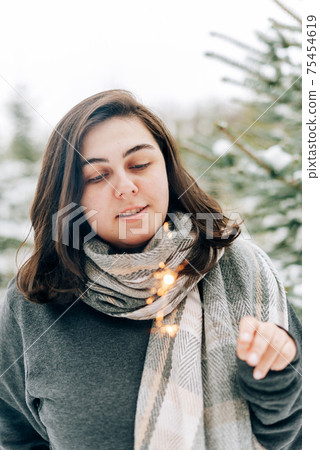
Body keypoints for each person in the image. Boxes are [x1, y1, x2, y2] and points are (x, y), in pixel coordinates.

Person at [0, 90, 301, 450]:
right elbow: (16, 437)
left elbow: (293, 436)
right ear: (69, 196)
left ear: (167, 170)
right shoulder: (33, 303)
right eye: (97, 176)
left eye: (140, 165)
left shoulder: (245, 272)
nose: (125, 187)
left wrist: (276, 376)